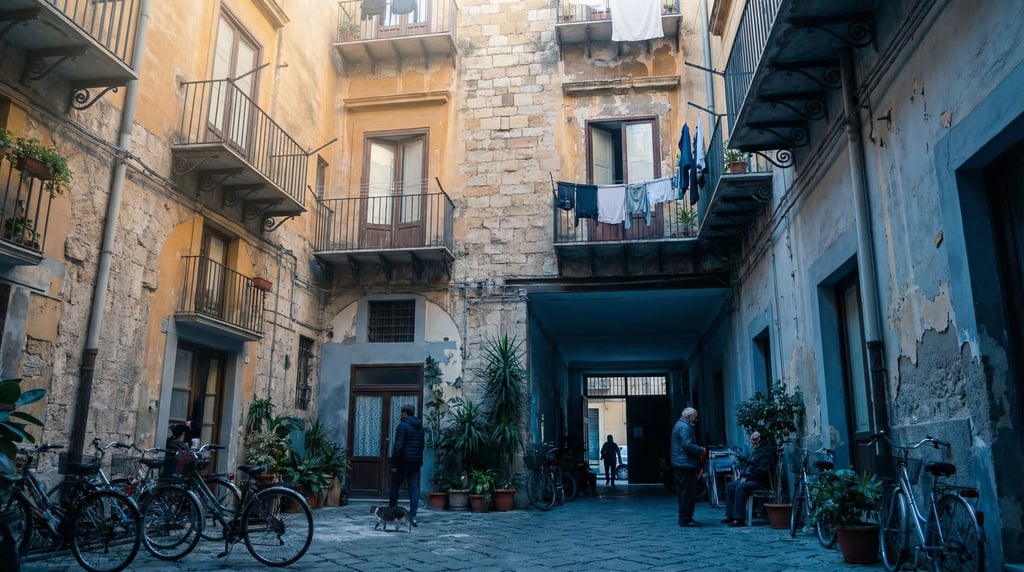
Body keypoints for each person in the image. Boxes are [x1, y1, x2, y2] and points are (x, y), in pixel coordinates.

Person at [721, 431, 774, 527]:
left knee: (741, 487)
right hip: (750, 479)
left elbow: (762, 470)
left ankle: (739, 518)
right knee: (730, 486)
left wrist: (747, 477)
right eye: (751, 440)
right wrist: (743, 476)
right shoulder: (756, 452)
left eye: (755, 440)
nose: (753, 442)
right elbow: (749, 466)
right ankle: (731, 515)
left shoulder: (766, 453)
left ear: (761, 440)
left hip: (760, 482)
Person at [389, 403, 424, 526]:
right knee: (413, 488)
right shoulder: (420, 427)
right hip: (416, 462)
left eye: (401, 412)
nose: (400, 414)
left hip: (403, 461)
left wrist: (394, 463)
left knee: (394, 485)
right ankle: (413, 515)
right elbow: (421, 445)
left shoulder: (402, 426)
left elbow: (398, 446)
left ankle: (392, 511)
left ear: (405, 413)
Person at [671, 407, 707, 527]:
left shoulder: (680, 425)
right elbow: (687, 445)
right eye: (695, 417)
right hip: (686, 464)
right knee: (688, 493)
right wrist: (701, 450)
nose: (696, 420)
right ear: (689, 416)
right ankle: (686, 518)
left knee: (684, 492)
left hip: (682, 463)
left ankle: (684, 518)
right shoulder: (684, 427)